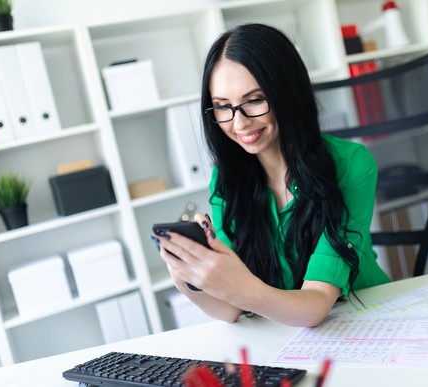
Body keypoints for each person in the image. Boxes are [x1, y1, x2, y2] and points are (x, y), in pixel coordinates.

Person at [154, 23, 390, 327]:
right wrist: (187, 276)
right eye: (223, 107)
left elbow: (316, 304)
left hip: (369, 318)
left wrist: (240, 288)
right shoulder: (226, 180)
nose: (239, 123)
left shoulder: (352, 164)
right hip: (290, 332)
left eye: (254, 100)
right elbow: (230, 310)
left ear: (286, 92)